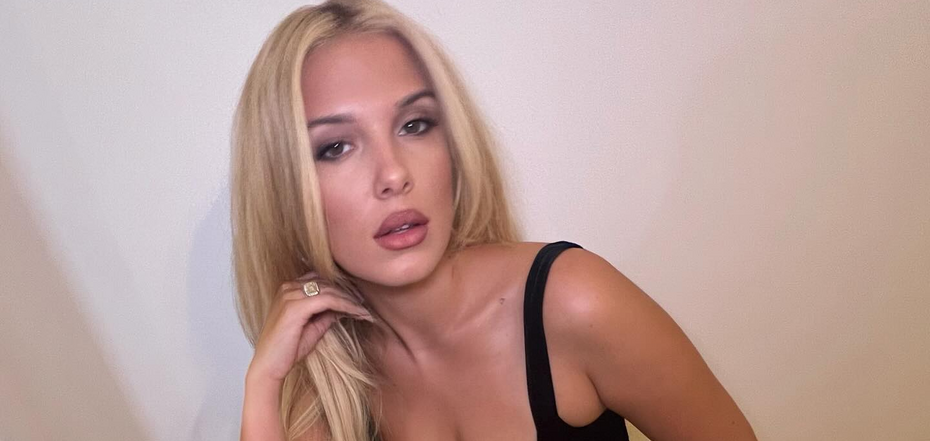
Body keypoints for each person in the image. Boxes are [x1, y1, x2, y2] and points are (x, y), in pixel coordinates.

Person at [232, 1, 757, 440]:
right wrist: (264, 384)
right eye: (335, 148)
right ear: (285, 188)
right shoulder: (330, 381)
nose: (393, 174)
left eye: (415, 125)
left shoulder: (573, 301)